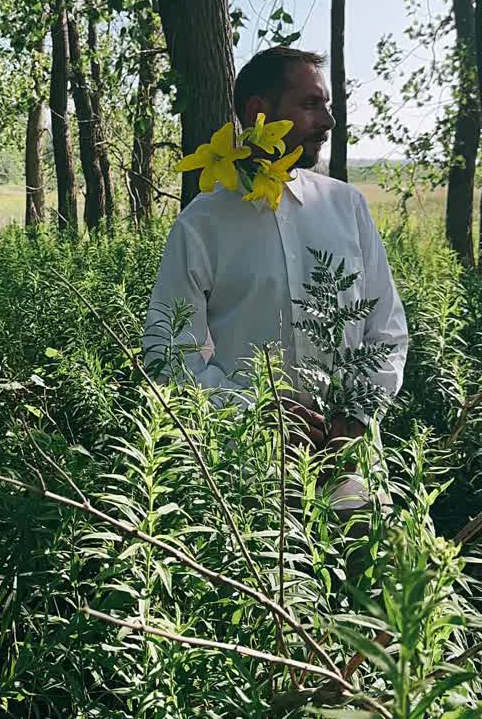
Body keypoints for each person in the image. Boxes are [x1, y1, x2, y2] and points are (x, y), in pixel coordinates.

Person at [143, 46, 408, 513]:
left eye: (326, 106)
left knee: (372, 585)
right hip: (250, 489)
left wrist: (356, 415)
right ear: (258, 113)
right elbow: (167, 353)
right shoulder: (201, 224)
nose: (327, 122)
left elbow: (386, 331)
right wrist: (252, 415)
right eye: (310, 105)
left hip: (352, 476)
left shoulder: (348, 209)